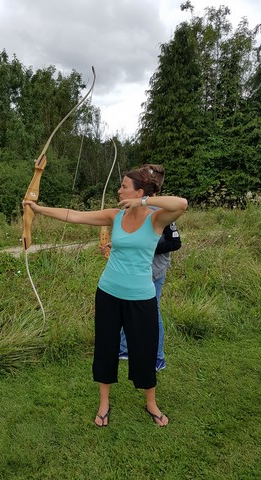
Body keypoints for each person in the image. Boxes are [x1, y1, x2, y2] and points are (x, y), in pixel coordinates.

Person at [23, 166, 188, 428]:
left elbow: (181, 203)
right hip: (109, 293)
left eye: (124, 186)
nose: (119, 190)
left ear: (139, 191)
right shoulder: (115, 215)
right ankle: (103, 403)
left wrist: (142, 202)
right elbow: (75, 216)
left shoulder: (156, 220)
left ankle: (151, 403)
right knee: (106, 348)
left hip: (141, 297)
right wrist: (38, 209)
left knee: (144, 350)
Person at [118, 165, 182, 372]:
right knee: (124, 307)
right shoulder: (133, 208)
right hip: (133, 271)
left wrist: (146, 244)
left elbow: (174, 243)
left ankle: (157, 358)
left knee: (151, 313)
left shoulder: (161, 211)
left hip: (153, 272)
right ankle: (125, 349)